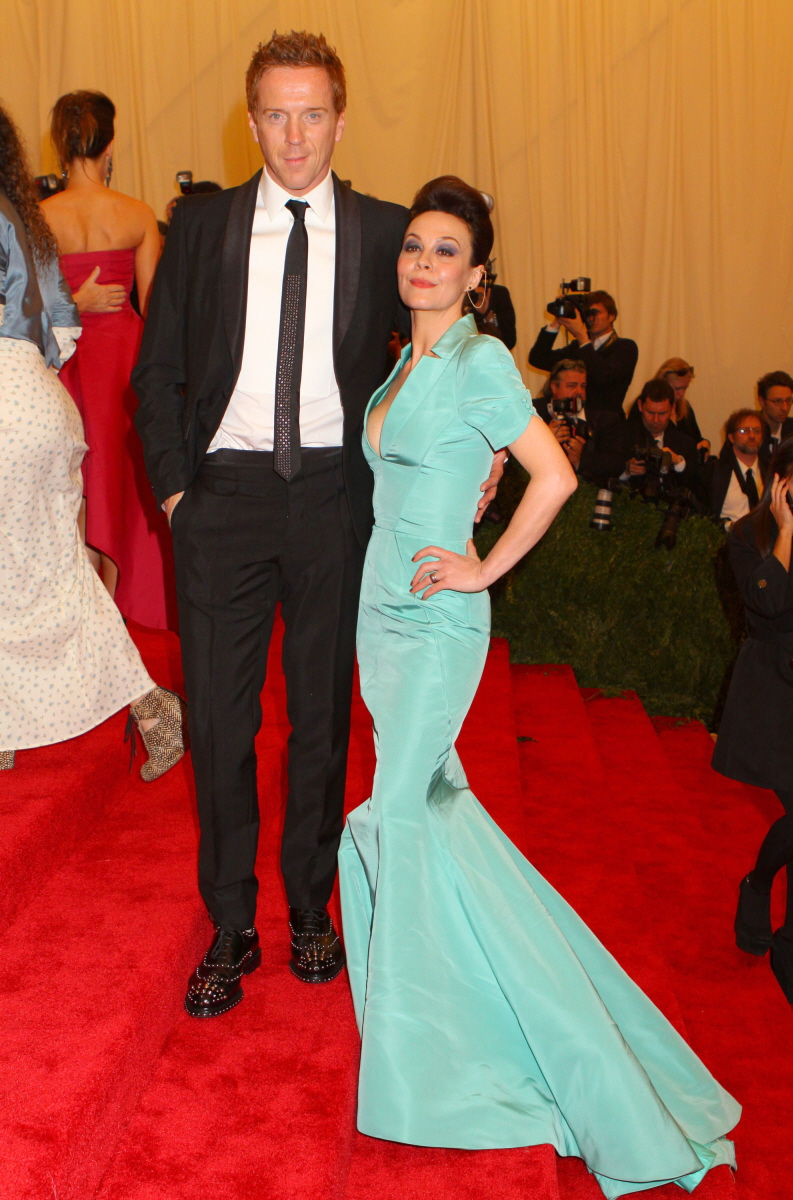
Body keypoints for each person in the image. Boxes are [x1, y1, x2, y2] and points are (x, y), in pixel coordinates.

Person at [338, 176, 739, 1197]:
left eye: (445, 252)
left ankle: (440, 1060)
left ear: (477, 276)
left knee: (400, 812)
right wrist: (465, 487)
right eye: (414, 247)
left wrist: (482, 567)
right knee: (429, 814)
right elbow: (427, 469)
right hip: (380, 610)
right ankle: (452, 1015)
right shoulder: (404, 361)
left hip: (437, 616)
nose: (423, 263)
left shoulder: (477, 360)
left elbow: (552, 475)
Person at [133, 31, 506, 1017]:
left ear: (339, 121)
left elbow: (456, 324)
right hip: (221, 499)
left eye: (312, 114)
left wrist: (484, 447)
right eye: (276, 114)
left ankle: (309, 903)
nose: (293, 136)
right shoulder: (201, 227)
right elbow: (156, 374)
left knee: (321, 718)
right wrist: (177, 498)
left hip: (339, 501)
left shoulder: (386, 230)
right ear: (251, 121)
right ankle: (230, 921)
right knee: (220, 720)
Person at [0, 102, 184, 778]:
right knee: (59, 566)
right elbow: (64, 329)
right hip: (44, 398)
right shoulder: (26, 221)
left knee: (23, 566)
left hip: (8, 406)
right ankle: (150, 707)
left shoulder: (39, 218)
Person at [41, 90, 176, 631]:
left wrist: (75, 302)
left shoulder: (41, 219)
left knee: (73, 485)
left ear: (61, 144)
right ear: (110, 144)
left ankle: (84, 612)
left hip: (67, 365)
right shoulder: (137, 214)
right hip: (125, 363)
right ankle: (116, 611)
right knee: (119, 485)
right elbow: (158, 311)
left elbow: (26, 309)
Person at [712, 434, 793, 1007]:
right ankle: (760, 881)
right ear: (780, 483)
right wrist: (787, 532)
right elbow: (766, 600)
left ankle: (792, 943)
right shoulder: (749, 535)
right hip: (773, 691)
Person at [528, 288, 638, 417]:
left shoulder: (625, 347)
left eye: (595, 313)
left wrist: (582, 336)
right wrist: (557, 322)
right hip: (573, 418)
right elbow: (538, 358)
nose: (590, 318)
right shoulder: (577, 347)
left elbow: (603, 378)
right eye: (587, 313)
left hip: (606, 422)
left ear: (611, 316)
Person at [600, 378, 699, 493]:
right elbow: (603, 480)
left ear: (672, 409)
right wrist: (626, 471)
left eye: (662, 413)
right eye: (650, 412)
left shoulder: (685, 443)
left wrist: (678, 462)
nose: (656, 420)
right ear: (640, 406)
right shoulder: (620, 436)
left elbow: (695, 485)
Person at [534, 358, 622, 481]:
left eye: (583, 386)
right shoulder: (532, 412)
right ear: (554, 387)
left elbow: (617, 464)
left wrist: (581, 460)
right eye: (572, 386)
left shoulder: (605, 419)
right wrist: (544, 440)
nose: (579, 392)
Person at [703, 409, 764, 525]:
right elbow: (704, 514)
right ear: (731, 437)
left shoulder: (772, 471)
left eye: (757, 431)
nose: (752, 436)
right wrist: (727, 526)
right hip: (728, 534)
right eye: (744, 431)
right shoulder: (716, 471)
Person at [652, 357, 710, 458]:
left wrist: (705, 443)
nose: (682, 394)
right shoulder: (647, 407)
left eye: (685, 388)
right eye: (677, 389)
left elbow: (695, 438)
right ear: (662, 383)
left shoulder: (685, 407)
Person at [756, 370, 793, 464]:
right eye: (778, 401)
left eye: (788, 400)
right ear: (762, 402)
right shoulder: (749, 431)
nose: (785, 408)